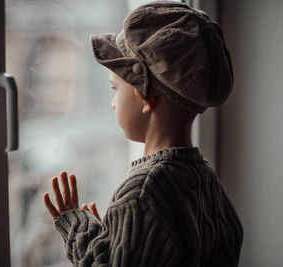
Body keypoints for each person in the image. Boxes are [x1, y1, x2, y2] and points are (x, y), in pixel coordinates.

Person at [43, 1, 244, 266]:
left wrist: (77, 228)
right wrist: (123, 237)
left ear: (144, 96)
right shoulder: (205, 178)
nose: (112, 102)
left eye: (115, 88)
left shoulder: (142, 192)